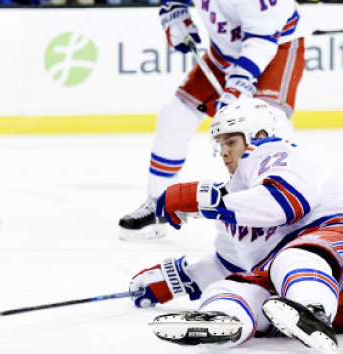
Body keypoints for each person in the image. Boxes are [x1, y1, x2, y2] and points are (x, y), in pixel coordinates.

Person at [117, 0, 306, 240]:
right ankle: (158, 204)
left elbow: (263, 37)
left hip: (275, 46)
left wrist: (237, 86)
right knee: (174, 116)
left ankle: (287, 214)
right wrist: (175, 9)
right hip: (224, 47)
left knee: (270, 126)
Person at [129, 99, 342, 352]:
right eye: (220, 145)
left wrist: (207, 200)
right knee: (231, 287)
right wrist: (180, 278)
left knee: (293, 257)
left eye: (231, 142)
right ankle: (226, 322)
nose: (224, 153)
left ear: (259, 135)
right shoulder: (235, 204)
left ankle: (311, 309)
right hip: (325, 294)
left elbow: (285, 202)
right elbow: (230, 264)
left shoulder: (278, 153)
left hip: (331, 250)